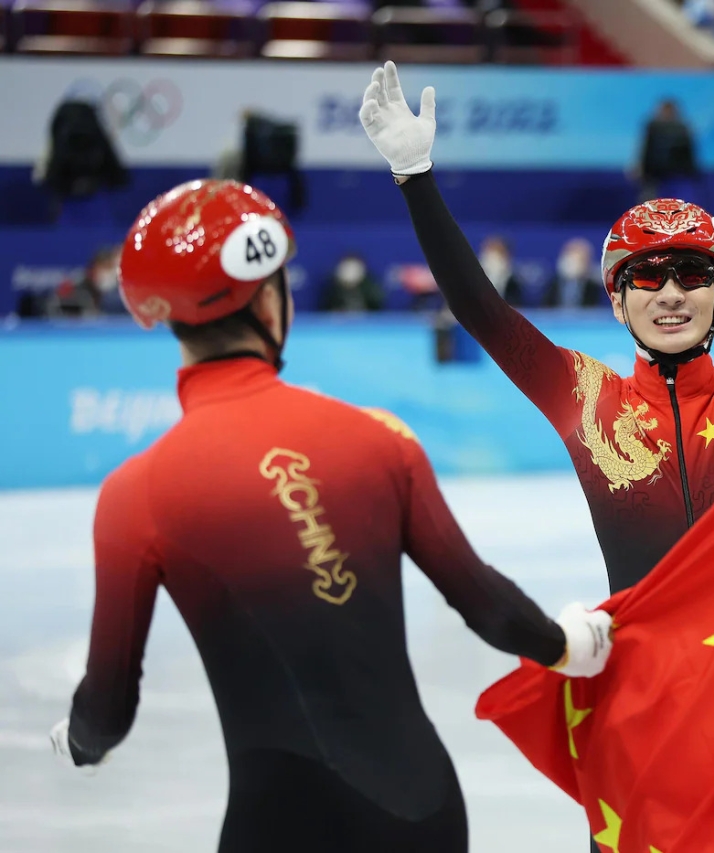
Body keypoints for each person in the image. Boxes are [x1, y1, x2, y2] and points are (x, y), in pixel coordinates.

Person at [47, 180, 613, 853]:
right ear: (267, 299)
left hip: (277, 826)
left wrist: (82, 741)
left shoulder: (132, 494)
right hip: (423, 813)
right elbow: (485, 605)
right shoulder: (377, 439)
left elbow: (109, 708)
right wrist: (567, 643)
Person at [360, 11, 714, 594]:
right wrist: (414, 175)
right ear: (616, 302)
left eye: (691, 274)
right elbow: (482, 311)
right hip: (642, 678)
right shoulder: (585, 399)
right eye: (647, 277)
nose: (670, 294)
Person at [542, 237, 606, 308]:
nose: (575, 264)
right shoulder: (553, 284)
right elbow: (545, 308)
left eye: (580, 260)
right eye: (571, 259)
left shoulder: (593, 287)